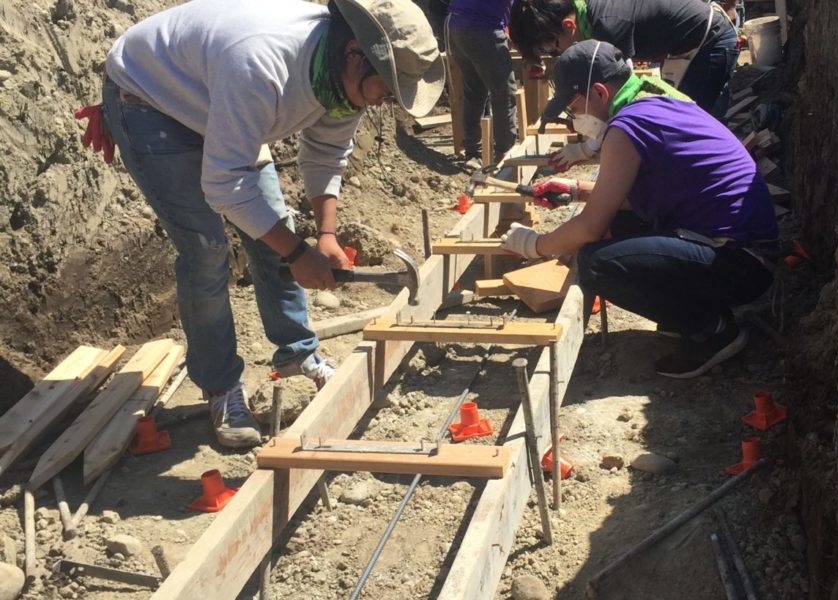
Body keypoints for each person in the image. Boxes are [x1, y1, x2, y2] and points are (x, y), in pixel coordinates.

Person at [75, 0, 444, 448]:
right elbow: (225, 184)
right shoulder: (262, 65)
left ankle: (297, 353)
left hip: (218, 93)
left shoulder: (344, 80)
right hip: (151, 99)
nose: (385, 101)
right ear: (354, 54)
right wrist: (297, 252)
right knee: (206, 250)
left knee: (274, 229)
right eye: (387, 89)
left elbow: (327, 153)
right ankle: (220, 385)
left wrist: (325, 236)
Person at [500, 40, 778, 379]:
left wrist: (535, 245)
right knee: (618, 223)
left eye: (574, 108)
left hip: (740, 263)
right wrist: (575, 190)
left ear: (599, 92)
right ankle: (690, 312)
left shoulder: (626, 128)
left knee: (596, 263)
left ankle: (712, 330)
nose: (575, 121)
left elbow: (590, 227)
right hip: (745, 254)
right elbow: (640, 195)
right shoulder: (652, 100)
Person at [508, 0, 739, 121]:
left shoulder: (606, 25)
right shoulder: (586, 13)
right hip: (684, 47)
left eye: (556, 49)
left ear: (568, 26)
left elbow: (622, 95)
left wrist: (592, 144)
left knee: (692, 122)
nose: (561, 53)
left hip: (709, 42)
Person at [445, 0, 518, 169]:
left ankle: (473, 154)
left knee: (475, 89)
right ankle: (505, 158)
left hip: (455, 25)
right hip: (482, 27)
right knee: (504, 93)